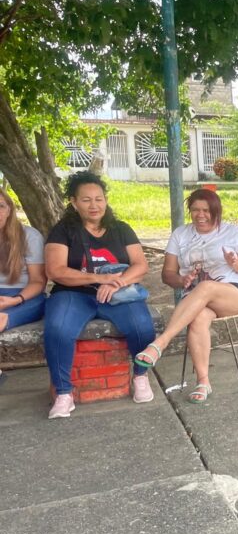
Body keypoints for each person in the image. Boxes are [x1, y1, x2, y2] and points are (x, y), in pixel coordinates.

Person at [43, 172, 156, 419]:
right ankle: (63, 393)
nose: (94, 205)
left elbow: (140, 265)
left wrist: (118, 282)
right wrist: (99, 278)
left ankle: (140, 376)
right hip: (73, 293)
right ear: (73, 202)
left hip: (118, 294)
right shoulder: (63, 230)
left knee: (142, 325)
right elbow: (55, 271)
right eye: (86, 200)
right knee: (58, 329)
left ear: (106, 200)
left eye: (99, 199)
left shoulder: (121, 229)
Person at [133, 188, 238, 404]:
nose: (200, 215)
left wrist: (234, 263)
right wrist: (182, 281)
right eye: (195, 210)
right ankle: (203, 382)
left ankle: (161, 343)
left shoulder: (232, 232)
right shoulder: (180, 235)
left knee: (207, 287)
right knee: (199, 318)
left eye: (206, 210)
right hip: (195, 301)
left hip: (233, 293)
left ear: (216, 211)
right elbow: (167, 275)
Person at [0, 187, 47, 333]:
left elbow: (38, 281)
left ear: (9, 210)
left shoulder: (30, 236)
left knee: (38, 301)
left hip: (23, 295)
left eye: (1, 206)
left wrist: (16, 299)